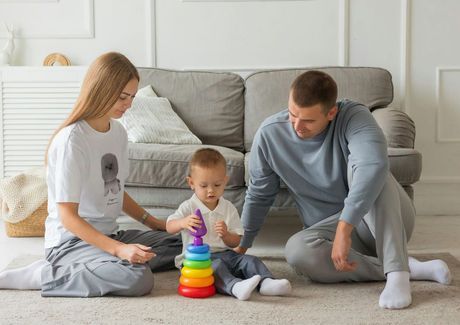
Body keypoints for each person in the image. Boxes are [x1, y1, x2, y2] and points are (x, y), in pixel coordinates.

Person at [234, 70, 452, 309]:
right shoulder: (269, 135)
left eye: (308, 120)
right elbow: (259, 194)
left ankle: (398, 274)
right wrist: (242, 244)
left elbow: (373, 166)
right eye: (292, 114)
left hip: (383, 221)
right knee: (297, 252)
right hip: (328, 232)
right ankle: (407, 267)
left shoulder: (353, 116)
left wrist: (345, 228)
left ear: (331, 113)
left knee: (369, 169)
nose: (297, 126)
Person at [0, 52, 182, 297]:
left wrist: (157, 224)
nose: (129, 104)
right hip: (70, 243)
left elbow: (115, 189)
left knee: (182, 244)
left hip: (107, 234)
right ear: (101, 90)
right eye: (122, 96)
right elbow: (67, 217)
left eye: (132, 97)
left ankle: (106, 263)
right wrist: (118, 250)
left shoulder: (118, 132)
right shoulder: (71, 141)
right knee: (137, 279)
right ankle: (44, 274)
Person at [166, 148, 292, 300]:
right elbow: (169, 227)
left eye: (217, 185)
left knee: (251, 260)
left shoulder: (228, 208)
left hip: (226, 254)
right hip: (197, 260)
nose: (211, 191)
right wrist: (183, 222)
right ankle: (235, 286)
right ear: (191, 183)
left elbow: (236, 242)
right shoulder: (188, 207)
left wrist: (226, 235)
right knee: (216, 267)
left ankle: (267, 282)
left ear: (225, 181)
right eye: (204, 186)